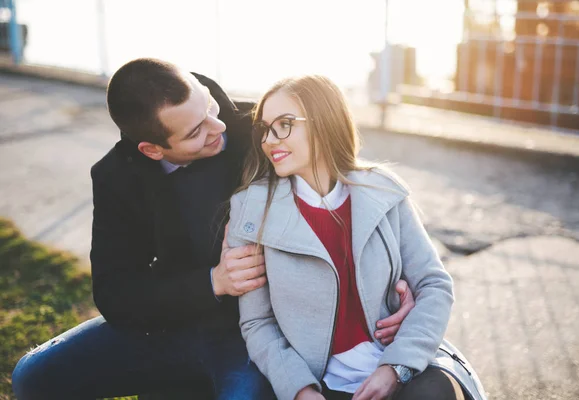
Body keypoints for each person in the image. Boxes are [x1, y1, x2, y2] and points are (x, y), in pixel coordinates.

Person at [11, 58, 413, 399]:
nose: (216, 128)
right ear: (152, 150)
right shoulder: (116, 177)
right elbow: (116, 295)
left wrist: (395, 286)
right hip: (169, 325)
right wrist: (213, 282)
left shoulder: (257, 127)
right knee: (32, 376)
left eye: (208, 108)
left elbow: (344, 186)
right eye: (194, 132)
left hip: (255, 333)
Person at [227, 75, 486, 400]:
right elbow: (257, 322)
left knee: (437, 392)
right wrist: (299, 390)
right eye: (265, 128)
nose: (269, 140)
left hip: (403, 370)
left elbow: (434, 285)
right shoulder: (251, 209)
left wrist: (395, 368)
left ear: (324, 121)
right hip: (320, 385)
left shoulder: (384, 191)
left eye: (285, 124)